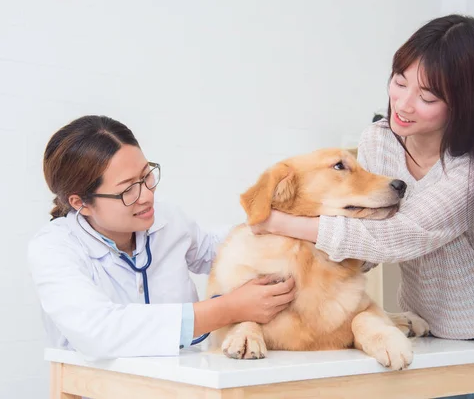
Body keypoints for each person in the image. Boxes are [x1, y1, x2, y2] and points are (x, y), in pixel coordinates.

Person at [249, 15, 474, 399]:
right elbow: (363, 230)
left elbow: (397, 236)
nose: (403, 104)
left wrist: (280, 222)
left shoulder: (473, 170)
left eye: (427, 97)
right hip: (430, 332)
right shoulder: (378, 141)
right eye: (399, 80)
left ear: (465, 104)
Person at [28, 115, 296, 360]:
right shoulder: (55, 248)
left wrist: (278, 222)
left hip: (183, 383)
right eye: (128, 190)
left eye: (147, 176)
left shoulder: (166, 219)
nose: (146, 196)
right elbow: (100, 332)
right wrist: (228, 309)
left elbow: (218, 249)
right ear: (80, 203)